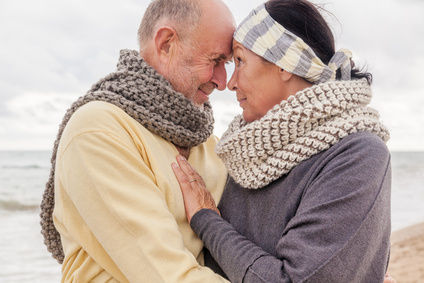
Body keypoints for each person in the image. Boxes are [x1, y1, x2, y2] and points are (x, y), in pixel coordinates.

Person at [172, 0, 392, 282]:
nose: (230, 82)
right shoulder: (244, 151)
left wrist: (206, 219)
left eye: (240, 61)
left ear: (285, 63)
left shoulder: (357, 155)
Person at [39, 0, 235, 282]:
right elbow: (167, 276)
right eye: (215, 60)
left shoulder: (210, 145)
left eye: (228, 64)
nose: (223, 80)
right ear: (166, 43)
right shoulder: (98, 130)